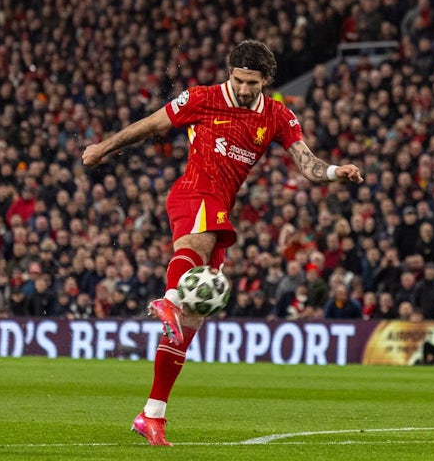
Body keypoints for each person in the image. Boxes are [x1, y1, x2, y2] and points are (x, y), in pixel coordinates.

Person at [82, 40, 363, 446]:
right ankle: (169, 297)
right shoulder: (202, 98)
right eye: (238, 79)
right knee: (192, 255)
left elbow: (308, 164)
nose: (244, 88)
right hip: (193, 191)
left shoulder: (279, 116)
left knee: (188, 326)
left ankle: (152, 413)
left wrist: (337, 170)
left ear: (267, 80)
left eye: (252, 82)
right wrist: (104, 149)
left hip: (220, 207)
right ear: (229, 72)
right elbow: (152, 124)